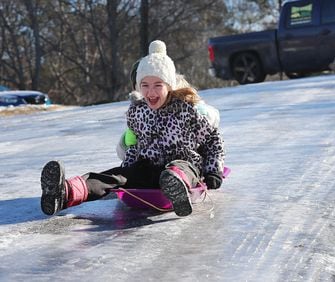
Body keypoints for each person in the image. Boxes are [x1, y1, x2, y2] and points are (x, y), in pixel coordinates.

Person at [40, 40, 225, 217]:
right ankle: (64, 193)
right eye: (145, 85)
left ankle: (176, 187)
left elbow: (212, 139)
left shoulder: (186, 109)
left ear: (169, 85)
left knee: (179, 168)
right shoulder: (138, 112)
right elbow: (135, 147)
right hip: (147, 167)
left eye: (157, 85)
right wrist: (126, 173)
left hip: (183, 163)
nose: (150, 92)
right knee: (114, 176)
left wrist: (213, 170)